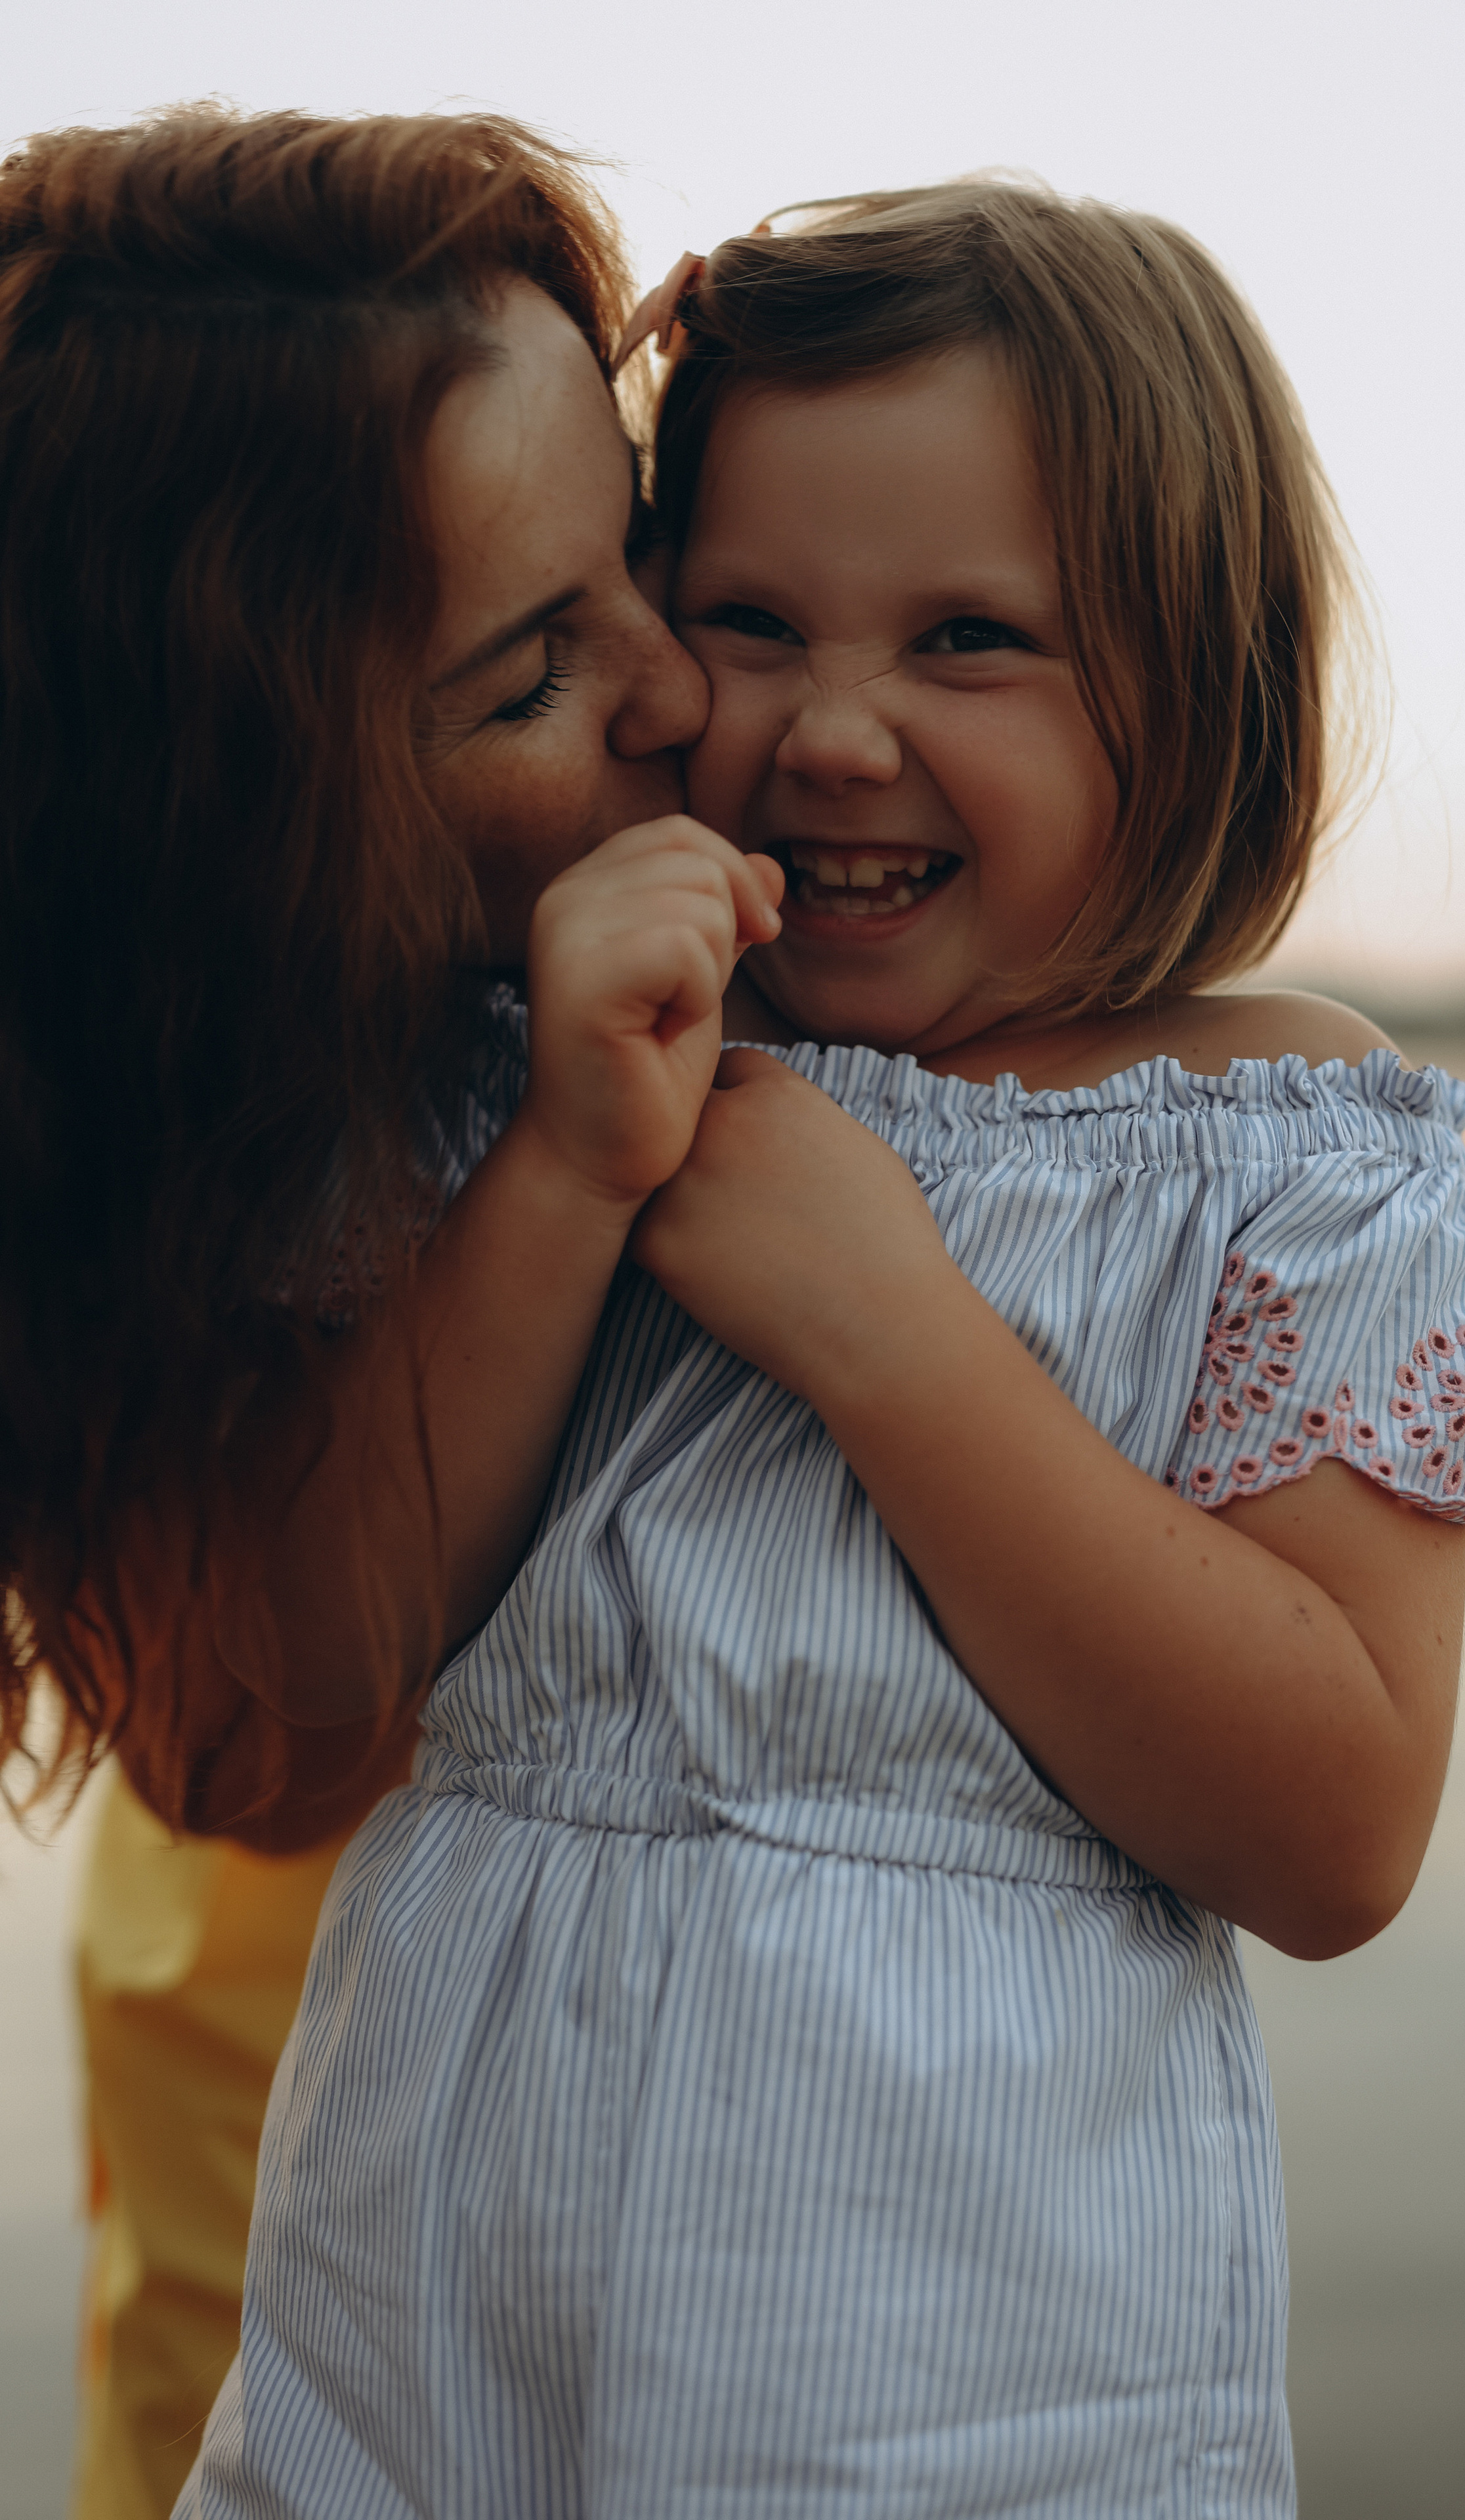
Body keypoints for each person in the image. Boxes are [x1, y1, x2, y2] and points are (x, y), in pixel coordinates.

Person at [173, 184, 1465, 2514]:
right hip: (412, 2364)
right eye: (743, 621)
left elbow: (1334, 1830)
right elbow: (310, 1664)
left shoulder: (1273, 1142)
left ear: (1194, 682)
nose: (832, 732)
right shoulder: (534, 1059)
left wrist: (897, 1336)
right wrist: (556, 1171)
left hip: (958, 2399)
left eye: (969, 641)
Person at [0, 104, 776, 2515]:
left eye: (637, 542)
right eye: (538, 664)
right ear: (242, 807)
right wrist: (556, 1163)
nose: (681, 690)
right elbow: (248, 1747)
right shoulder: (192, 1120)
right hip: (305, 2191)